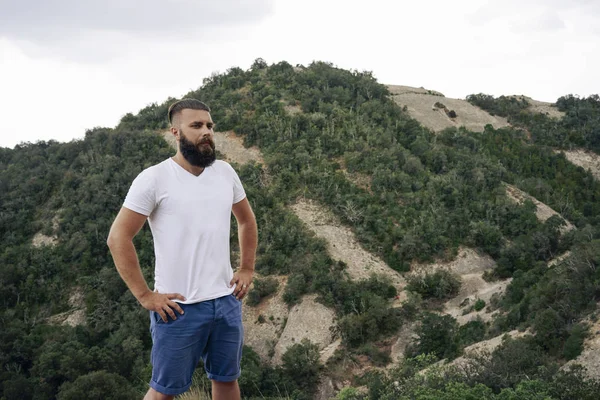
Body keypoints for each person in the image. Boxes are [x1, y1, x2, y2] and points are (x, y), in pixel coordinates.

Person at [107, 98, 258, 400]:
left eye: (210, 126)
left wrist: (246, 268)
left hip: (226, 301)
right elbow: (118, 238)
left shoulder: (225, 173)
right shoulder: (153, 179)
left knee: (227, 380)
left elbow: (246, 220)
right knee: (164, 391)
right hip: (178, 308)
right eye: (197, 125)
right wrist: (145, 295)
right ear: (175, 132)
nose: (206, 132)